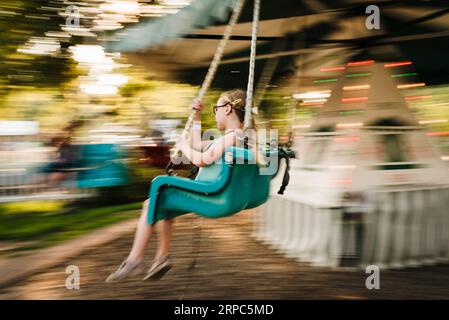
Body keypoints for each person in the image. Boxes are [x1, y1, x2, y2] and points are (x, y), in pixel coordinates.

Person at [106, 89, 255, 283]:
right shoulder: (240, 137)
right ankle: (160, 257)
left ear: (227, 110)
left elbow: (201, 159)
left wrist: (183, 147)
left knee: (151, 202)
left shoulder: (232, 137)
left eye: (215, 109)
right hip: (221, 194)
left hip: (214, 196)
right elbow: (195, 143)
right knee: (163, 202)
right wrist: (198, 116)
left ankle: (136, 260)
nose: (215, 113)